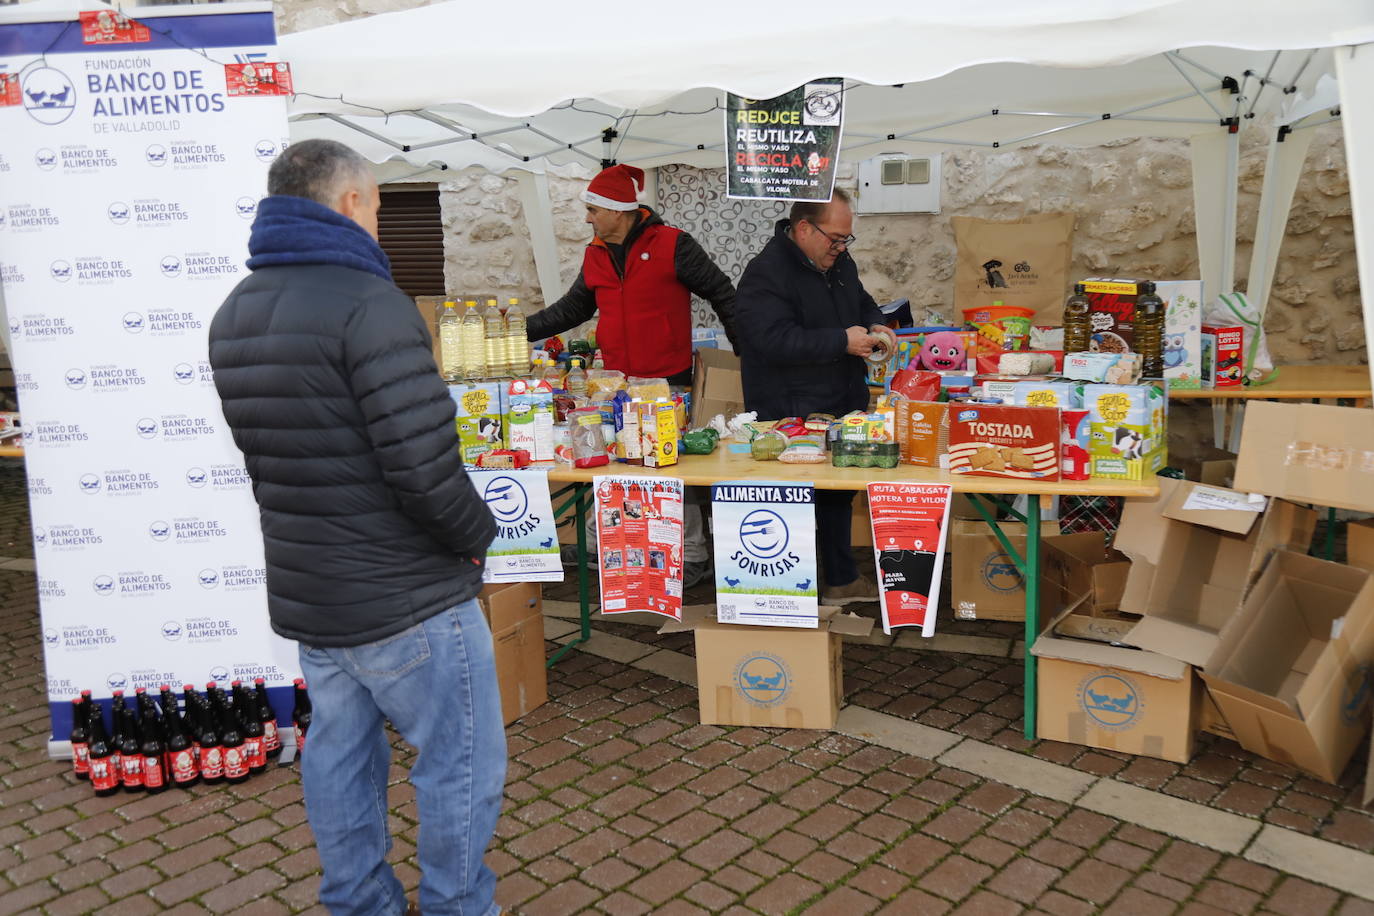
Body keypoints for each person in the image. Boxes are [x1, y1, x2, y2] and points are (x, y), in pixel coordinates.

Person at [208, 139, 504, 916]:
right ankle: (455, 907)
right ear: (349, 204)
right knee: (459, 766)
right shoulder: (371, 304)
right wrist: (479, 533)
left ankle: (360, 904)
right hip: (409, 596)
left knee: (338, 760)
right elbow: (423, 468)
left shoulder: (235, 310)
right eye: (377, 205)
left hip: (316, 597)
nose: (378, 221)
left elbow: (274, 460)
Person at [527, 163, 733, 585]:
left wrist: (749, 347)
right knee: (611, 461)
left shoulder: (674, 244)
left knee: (672, 466)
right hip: (615, 382)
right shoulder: (595, 253)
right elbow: (573, 309)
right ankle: (597, 544)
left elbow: (721, 291)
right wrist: (519, 329)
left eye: (593, 209)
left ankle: (692, 553)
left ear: (617, 211)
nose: (587, 218)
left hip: (666, 379)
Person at [734, 188, 895, 604]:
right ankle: (789, 596)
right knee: (796, 503)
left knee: (839, 495)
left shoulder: (839, 260)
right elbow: (770, 340)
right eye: (835, 238)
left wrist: (877, 325)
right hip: (789, 410)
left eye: (846, 239)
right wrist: (841, 341)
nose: (841, 248)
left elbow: (861, 300)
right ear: (803, 228)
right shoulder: (764, 273)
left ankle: (840, 579)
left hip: (841, 400)